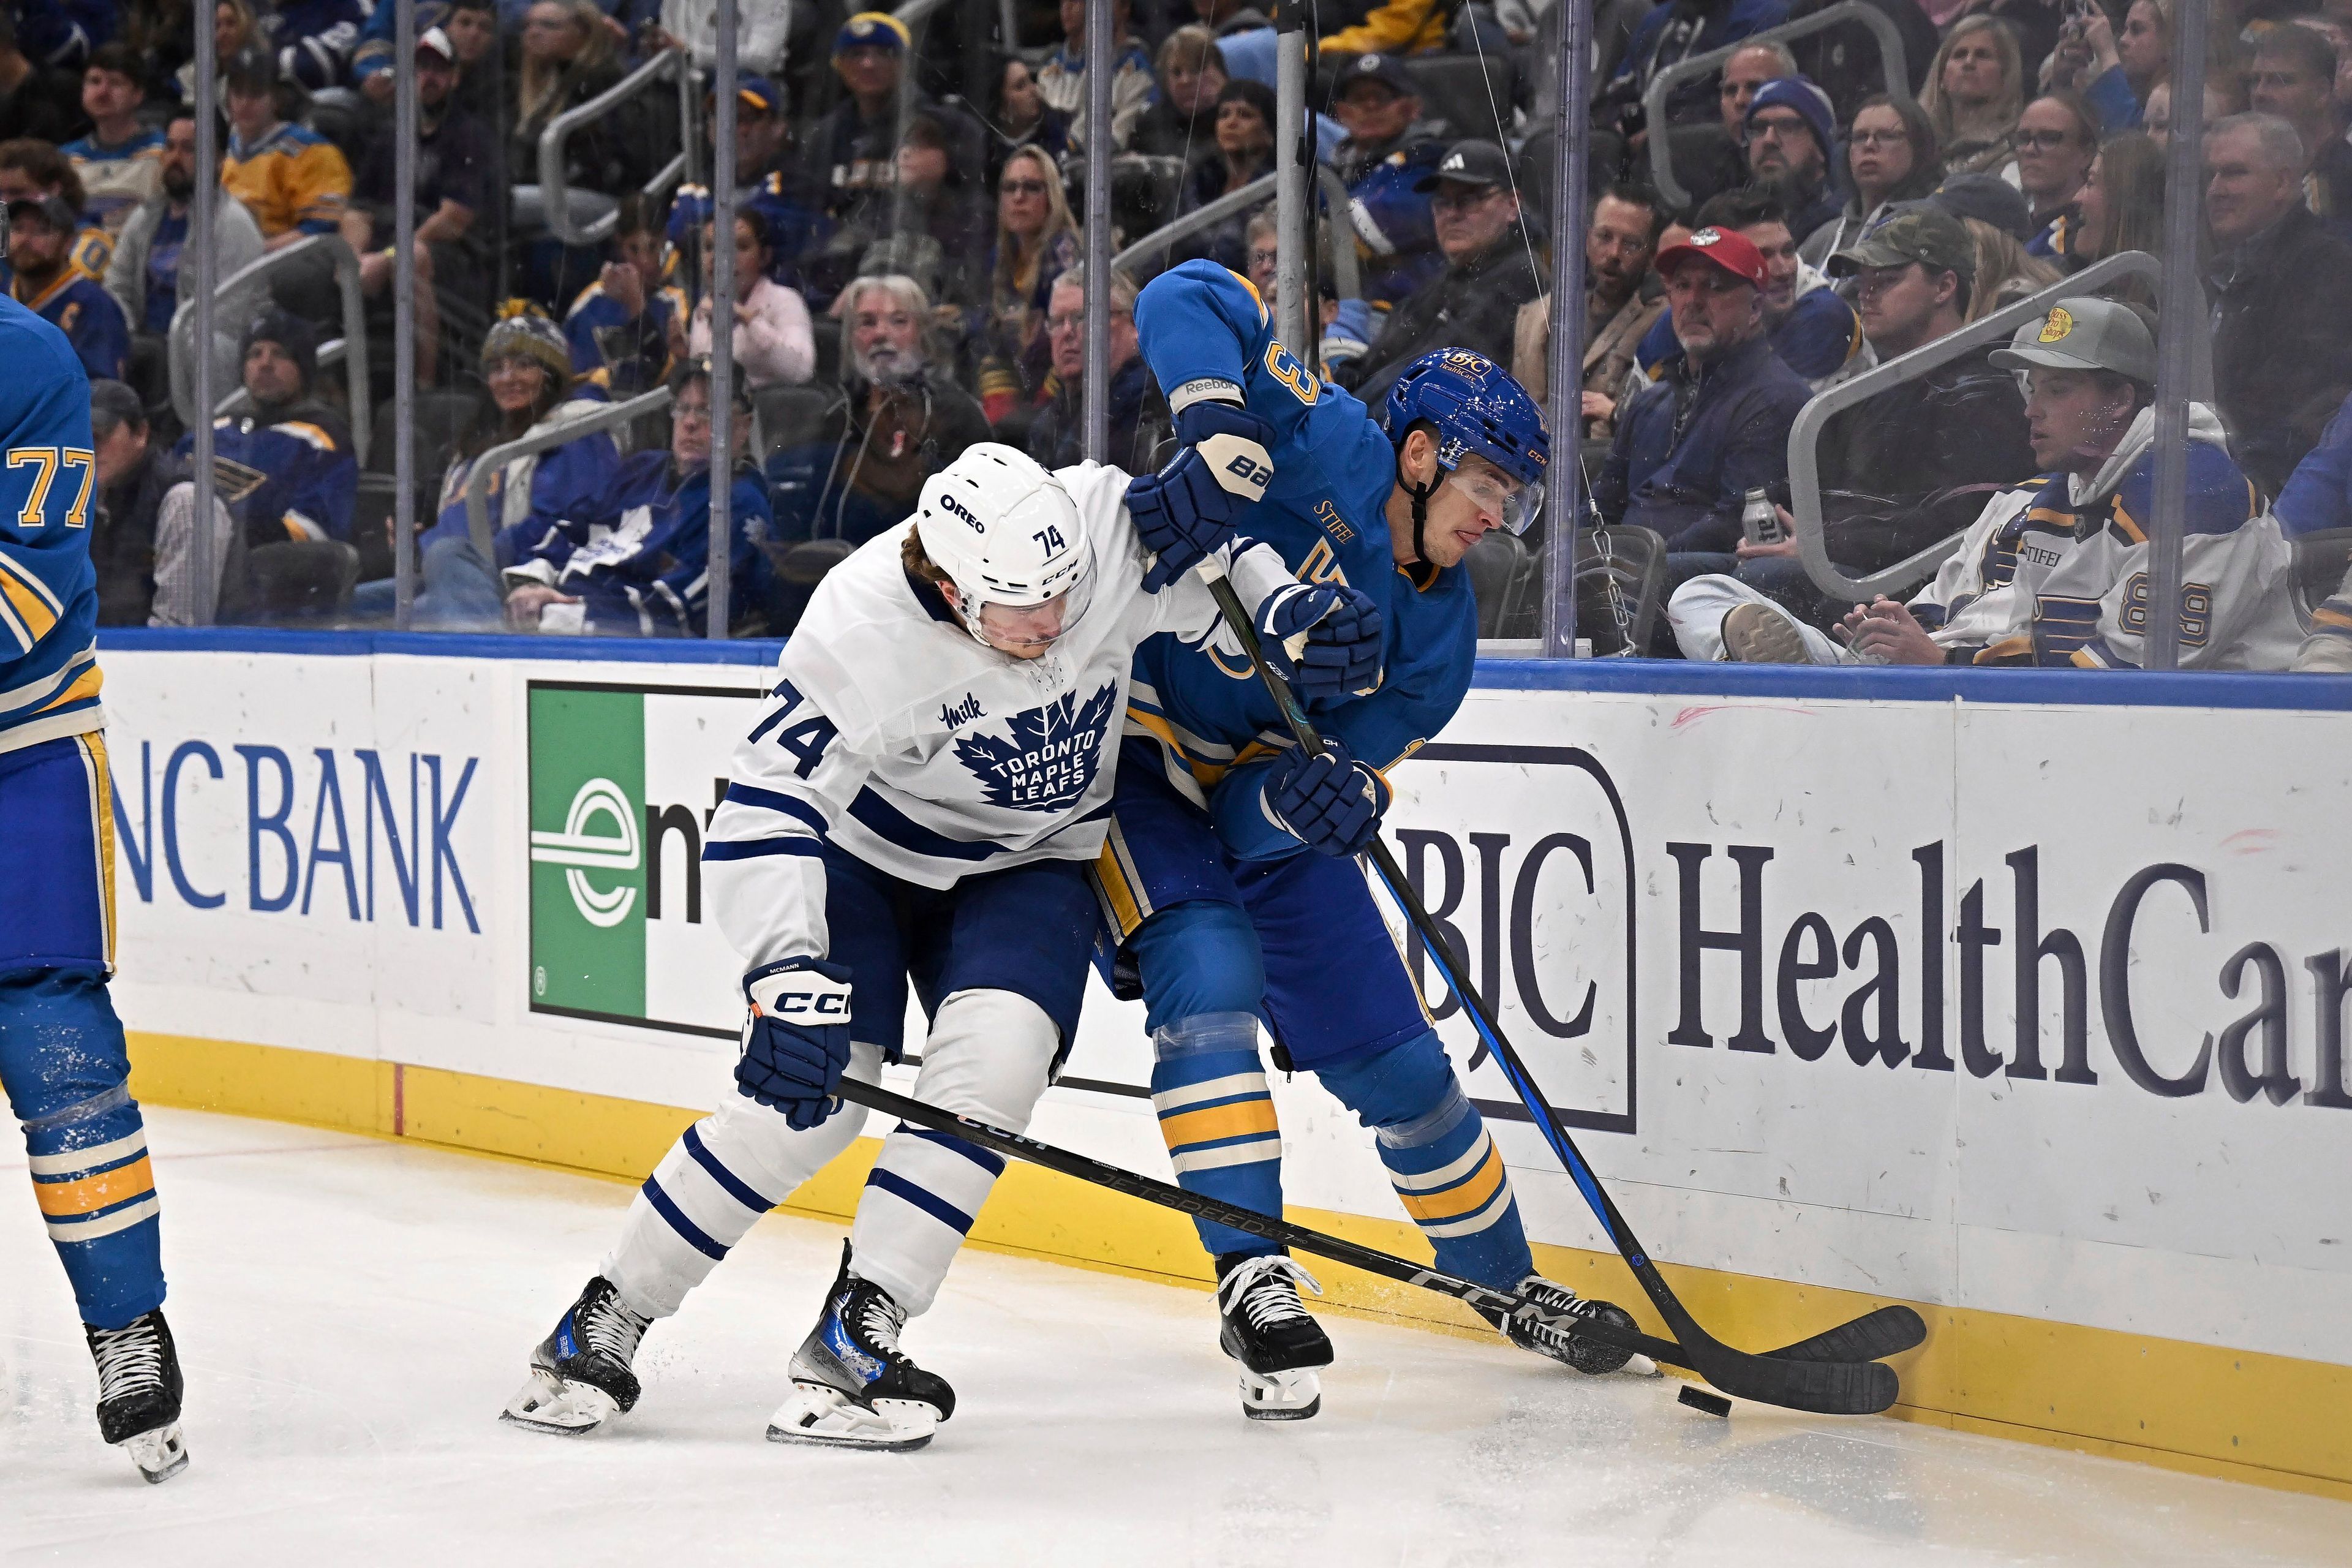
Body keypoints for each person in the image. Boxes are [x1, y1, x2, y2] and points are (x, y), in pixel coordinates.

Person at [500, 439, 1370, 1449]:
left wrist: (1282, 610)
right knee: (806, 1111)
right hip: (866, 863)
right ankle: (606, 1318)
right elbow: (758, 811)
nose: (1051, 626)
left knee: (993, 1075)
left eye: (1063, 595)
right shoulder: (858, 629)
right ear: (950, 584)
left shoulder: (1091, 531)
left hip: (1032, 860)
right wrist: (785, 977)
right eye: (1019, 607)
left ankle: (859, 1328)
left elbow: (1212, 554)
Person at [1104, 258, 1644, 1420]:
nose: (1497, 516)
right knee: (1209, 980)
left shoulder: (1439, 646)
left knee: (1402, 1070)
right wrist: (1210, 421)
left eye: (1514, 496)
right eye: (1488, 482)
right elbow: (1185, 292)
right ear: (1419, 454)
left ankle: (1506, 1286)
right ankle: (1255, 1275)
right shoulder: (1332, 438)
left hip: (1241, 793)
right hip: (1134, 749)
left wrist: (1313, 797)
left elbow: (1275, 810)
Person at [1671, 298, 2299, 669]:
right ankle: (1804, 686)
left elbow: (2126, 679)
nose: (2032, 408)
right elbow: (1952, 606)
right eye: (2033, 388)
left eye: (2058, 389)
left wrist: (1942, 661)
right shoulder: (2037, 496)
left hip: (2147, 751)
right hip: (1969, 696)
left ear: (2120, 401)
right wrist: (1892, 626)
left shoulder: (2196, 498)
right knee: (1698, 592)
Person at [0, 253, 188, 1485]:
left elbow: (29, 572)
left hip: (21, 751)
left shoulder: (26, 356)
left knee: (56, 1044)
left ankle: (128, 1326)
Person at [1592, 225, 1811, 620]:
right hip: (1631, 570)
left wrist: (1630, 563)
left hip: (1699, 587)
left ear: (1756, 309)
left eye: (1715, 287)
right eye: (1682, 286)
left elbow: (1733, 524)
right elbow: (1603, 505)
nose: (1693, 301)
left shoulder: (1776, 398)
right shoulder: (1650, 400)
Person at [351, 311, 622, 628]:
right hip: (446, 578)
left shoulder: (575, 432)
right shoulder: (477, 447)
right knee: (345, 604)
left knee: (444, 558)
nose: (508, 378)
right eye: (498, 368)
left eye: (524, 365)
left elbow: (572, 523)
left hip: (517, 582)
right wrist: (419, 542)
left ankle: (478, 664)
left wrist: (475, 552)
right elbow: (455, 531)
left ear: (552, 373)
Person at [499, 357, 771, 637]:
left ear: (743, 427)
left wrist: (555, 614)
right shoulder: (643, 470)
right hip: (554, 612)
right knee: (457, 558)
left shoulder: (739, 505)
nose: (690, 422)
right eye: (683, 408)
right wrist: (531, 584)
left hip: (607, 646)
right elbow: (573, 529)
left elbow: (672, 614)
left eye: (707, 411)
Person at [766, 273, 992, 553]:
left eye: (898, 321)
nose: (881, 334)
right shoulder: (838, 417)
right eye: (867, 323)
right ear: (850, 338)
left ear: (921, 334)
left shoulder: (956, 414)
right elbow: (810, 517)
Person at [2205, 113, 2352, 497]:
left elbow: (2301, 403)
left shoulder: (2328, 270)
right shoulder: (2214, 269)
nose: (2215, 189)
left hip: (2266, 489)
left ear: (2284, 182)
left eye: (2234, 173)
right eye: (2212, 175)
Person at [1344, 139, 1542, 407]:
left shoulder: (1520, 280)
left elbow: (1432, 387)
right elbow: (1379, 362)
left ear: (1512, 204)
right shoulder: (1451, 276)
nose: (1452, 215)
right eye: (1443, 202)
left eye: (1469, 200)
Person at [342, 26, 488, 386]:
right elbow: (357, 209)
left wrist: (389, 256)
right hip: (390, 246)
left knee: (412, 260)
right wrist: (355, 257)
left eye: (439, 70)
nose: (429, 78)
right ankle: (341, 385)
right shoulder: (390, 135)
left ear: (455, 78)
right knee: (331, 264)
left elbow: (454, 220)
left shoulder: (468, 135)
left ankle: (422, 384)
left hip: (457, 258)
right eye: (421, 68)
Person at [105, 111, 266, 415]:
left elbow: (232, 314)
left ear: (219, 159)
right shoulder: (145, 217)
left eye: (189, 149)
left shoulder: (233, 224)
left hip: (198, 350)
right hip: (145, 345)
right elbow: (117, 286)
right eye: (170, 147)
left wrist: (175, 344)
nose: (175, 158)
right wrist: (122, 334)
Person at [1635, 188, 1860, 388]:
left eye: (1788, 251)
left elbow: (1759, 420)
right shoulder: (1683, 317)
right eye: (1762, 256)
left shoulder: (1822, 318)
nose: (1783, 271)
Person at [173, 308, 358, 545]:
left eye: (280, 354)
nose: (265, 364)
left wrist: (231, 538)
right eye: (255, 354)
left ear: (304, 369)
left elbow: (316, 530)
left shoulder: (323, 438)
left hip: (264, 571)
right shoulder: (209, 432)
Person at [1512, 182, 1665, 440]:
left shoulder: (1661, 324)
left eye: (1631, 244)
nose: (1614, 253)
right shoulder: (1537, 316)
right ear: (1587, 239)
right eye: (1605, 237)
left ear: (1651, 258)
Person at [1329, 53, 1448, 306]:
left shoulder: (1429, 158)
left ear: (1413, 107)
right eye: (1359, 99)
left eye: (1383, 97)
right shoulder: (1337, 166)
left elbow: (1379, 222)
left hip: (1410, 305)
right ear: (1342, 112)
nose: (1371, 106)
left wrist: (1321, 210)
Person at [974, 144, 1077, 428]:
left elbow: (1072, 338)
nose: (1019, 197)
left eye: (1032, 187)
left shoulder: (1065, 253)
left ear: (1052, 196)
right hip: (1020, 377)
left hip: (1061, 385)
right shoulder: (1002, 256)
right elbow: (992, 329)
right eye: (1010, 188)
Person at [1025, 264, 1163, 473]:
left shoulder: (1156, 405)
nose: (1067, 332)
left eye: (1083, 317)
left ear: (1134, 325)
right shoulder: (1047, 427)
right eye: (1057, 322)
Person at [219, 46, 348, 252]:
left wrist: (255, 253)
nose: (244, 103)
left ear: (277, 98)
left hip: (281, 263)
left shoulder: (313, 150)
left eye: (256, 94)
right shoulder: (219, 148)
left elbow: (320, 230)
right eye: (238, 93)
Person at [1800, 92, 1940, 268]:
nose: (1869, 145)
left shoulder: (1931, 230)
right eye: (1860, 137)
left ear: (1919, 148)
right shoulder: (1825, 237)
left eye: (1887, 136)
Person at [688, 209, 815, 388]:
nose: (720, 258)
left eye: (740, 247)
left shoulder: (785, 300)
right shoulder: (703, 310)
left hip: (767, 413)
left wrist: (748, 319)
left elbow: (801, 371)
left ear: (764, 256)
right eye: (710, 247)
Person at [7, 190, 121, 381]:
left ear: (68, 243)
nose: (25, 240)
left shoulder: (94, 305)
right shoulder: (5, 295)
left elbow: (101, 392)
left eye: (42, 231)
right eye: (18, 229)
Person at [2250, 23, 2352, 227]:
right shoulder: (2243, 170)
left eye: (2279, 81)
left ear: (2321, 92)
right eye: (2254, 80)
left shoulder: (2346, 177)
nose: (2259, 93)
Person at [1170, 78, 1275, 274]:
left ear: (1269, 134)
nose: (1231, 122)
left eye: (1245, 115)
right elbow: (1168, 249)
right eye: (1224, 114)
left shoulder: (1278, 190)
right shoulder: (1198, 183)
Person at [61, 42, 160, 233]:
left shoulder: (163, 153)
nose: (102, 92)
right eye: (94, 81)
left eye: (115, 83)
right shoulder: (65, 160)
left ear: (138, 95)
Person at [88, 377, 164, 624]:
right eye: (79, 436)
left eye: (100, 434)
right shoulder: (80, 501)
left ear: (141, 433)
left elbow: (178, 632)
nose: (89, 447)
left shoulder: (181, 501)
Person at [1037, 0, 1154, 153]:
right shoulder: (1052, 67)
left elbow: (1118, 139)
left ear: (1125, 7)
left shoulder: (1138, 70)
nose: (1067, 8)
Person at [1742, 75, 1843, 242]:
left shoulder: (1843, 229)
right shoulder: (1734, 220)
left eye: (1787, 127)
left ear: (1820, 147)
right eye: (1759, 128)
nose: (1769, 140)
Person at [1921, 15, 2024, 179]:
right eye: (1960, 55)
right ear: (1941, 76)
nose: (1969, 62)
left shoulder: (2017, 147)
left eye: (1983, 55)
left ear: (2005, 75)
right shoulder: (1917, 145)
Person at [2015, 92, 2100, 257]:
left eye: (2048, 138)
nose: (2030, 149)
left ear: (2086, 154)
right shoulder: (2008, 229)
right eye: (2023, 138)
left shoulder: (2084, 237)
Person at [1130, 24, 1227, 160]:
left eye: (1196, 69)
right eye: (1177, 73)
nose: (1185, 81)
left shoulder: (1237, 122)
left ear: (1223, 73)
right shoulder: (1149, 126)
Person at [987, 55, 1072, 171]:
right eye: (1021, 86)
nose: (1034, 90)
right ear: (1001, 107)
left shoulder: (1057, 135)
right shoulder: (986, 149)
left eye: (1031, 80)